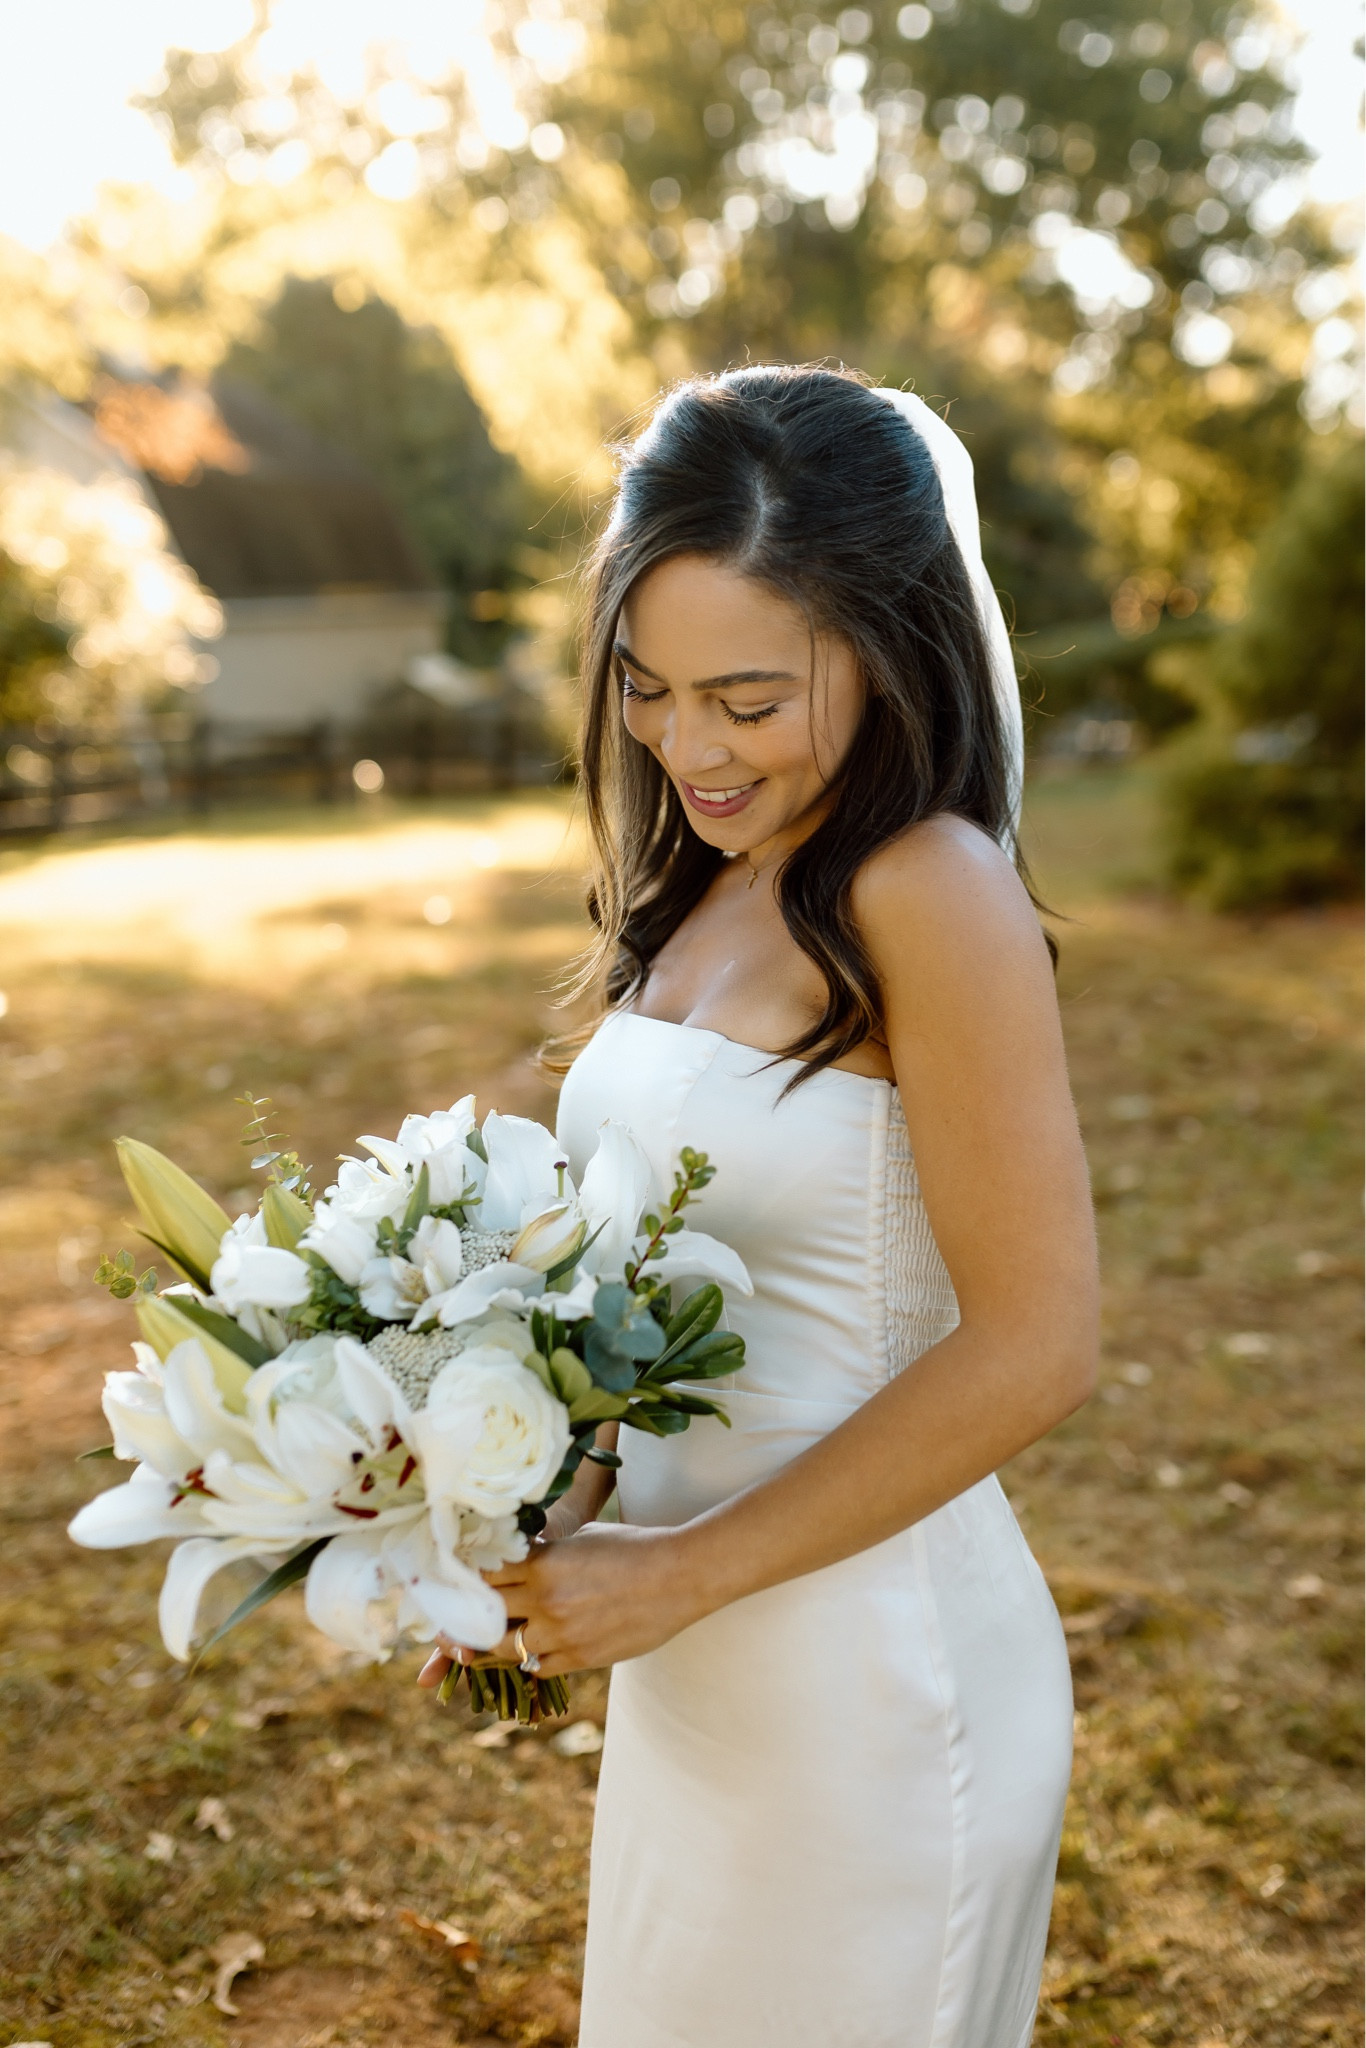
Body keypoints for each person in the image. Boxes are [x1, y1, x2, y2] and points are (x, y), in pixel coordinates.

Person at [419, 364, 1099, 2048]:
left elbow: (1038, 1346)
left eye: (745, 697)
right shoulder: (709, 888)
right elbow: (656, 1291)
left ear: (887, 640)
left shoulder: (926, 892)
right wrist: (549, 1513)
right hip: (696, 1668)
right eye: (647, 689)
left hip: (871, 1685)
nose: (685, 746)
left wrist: (689, 1571)